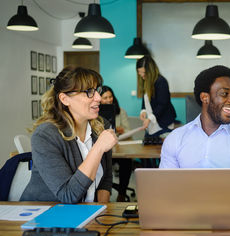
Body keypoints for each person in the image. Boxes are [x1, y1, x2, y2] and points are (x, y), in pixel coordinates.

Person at [160, 65, 230, 209]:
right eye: (225, 94)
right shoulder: (175, 139)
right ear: (205, 97)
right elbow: (165, 187)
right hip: (185, 215)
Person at [20, 66, 118, 203]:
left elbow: (105, 179)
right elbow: (68, 195)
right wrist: (98, 148)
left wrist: (102, 213)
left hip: (85, 215)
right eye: (89, 92)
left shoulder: (101, 127)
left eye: (97, 90)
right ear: (65, 99)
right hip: (45, 216)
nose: (98, 98)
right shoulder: (45, 136)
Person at [100, 86, 133, 202]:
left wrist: (122, 131)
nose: (109, 100)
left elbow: (129, 132)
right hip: (104, 149)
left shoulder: (121, 112)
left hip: (119, 148)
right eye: (105, 98)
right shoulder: (95, 113)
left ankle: (122, 193)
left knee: (127, 162)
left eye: (110, 97)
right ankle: (103, 193)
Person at [136, 55, 176, 137]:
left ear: (150, 71)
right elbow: (146, 98)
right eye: (139, 72)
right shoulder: (145, 80)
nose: (141, 75)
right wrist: (143, 110)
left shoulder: (161, 82)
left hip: (163, 123)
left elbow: (163, 104)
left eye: (143, 72)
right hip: (152, 122)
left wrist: (150, 118)